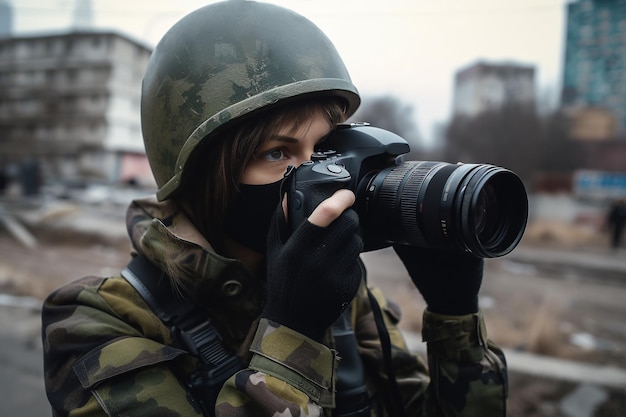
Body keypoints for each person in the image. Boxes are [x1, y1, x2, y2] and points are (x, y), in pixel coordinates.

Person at [41, 1, 508, 416]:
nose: (315, 178)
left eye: (325, 152)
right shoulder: (95, 321)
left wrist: (455, 318)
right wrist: (293, 331)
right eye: (276, 153)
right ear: (202, 175)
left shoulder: (346, 296)